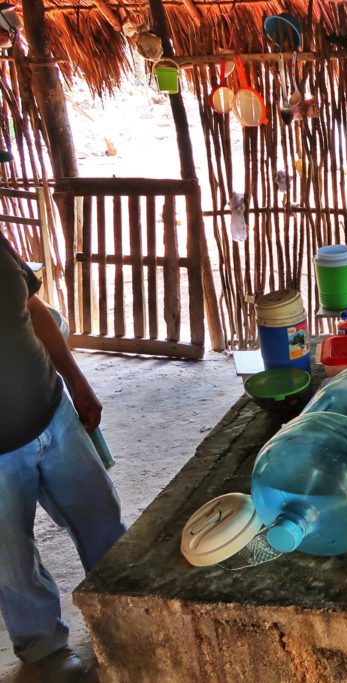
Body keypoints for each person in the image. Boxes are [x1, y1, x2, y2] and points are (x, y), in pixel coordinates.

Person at [0, 232, 126, 682]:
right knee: (11, 558)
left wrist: (77, 382)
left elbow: (33, 309)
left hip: (52, 412)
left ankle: (120, 609)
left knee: (101, 517)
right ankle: (43, 646)